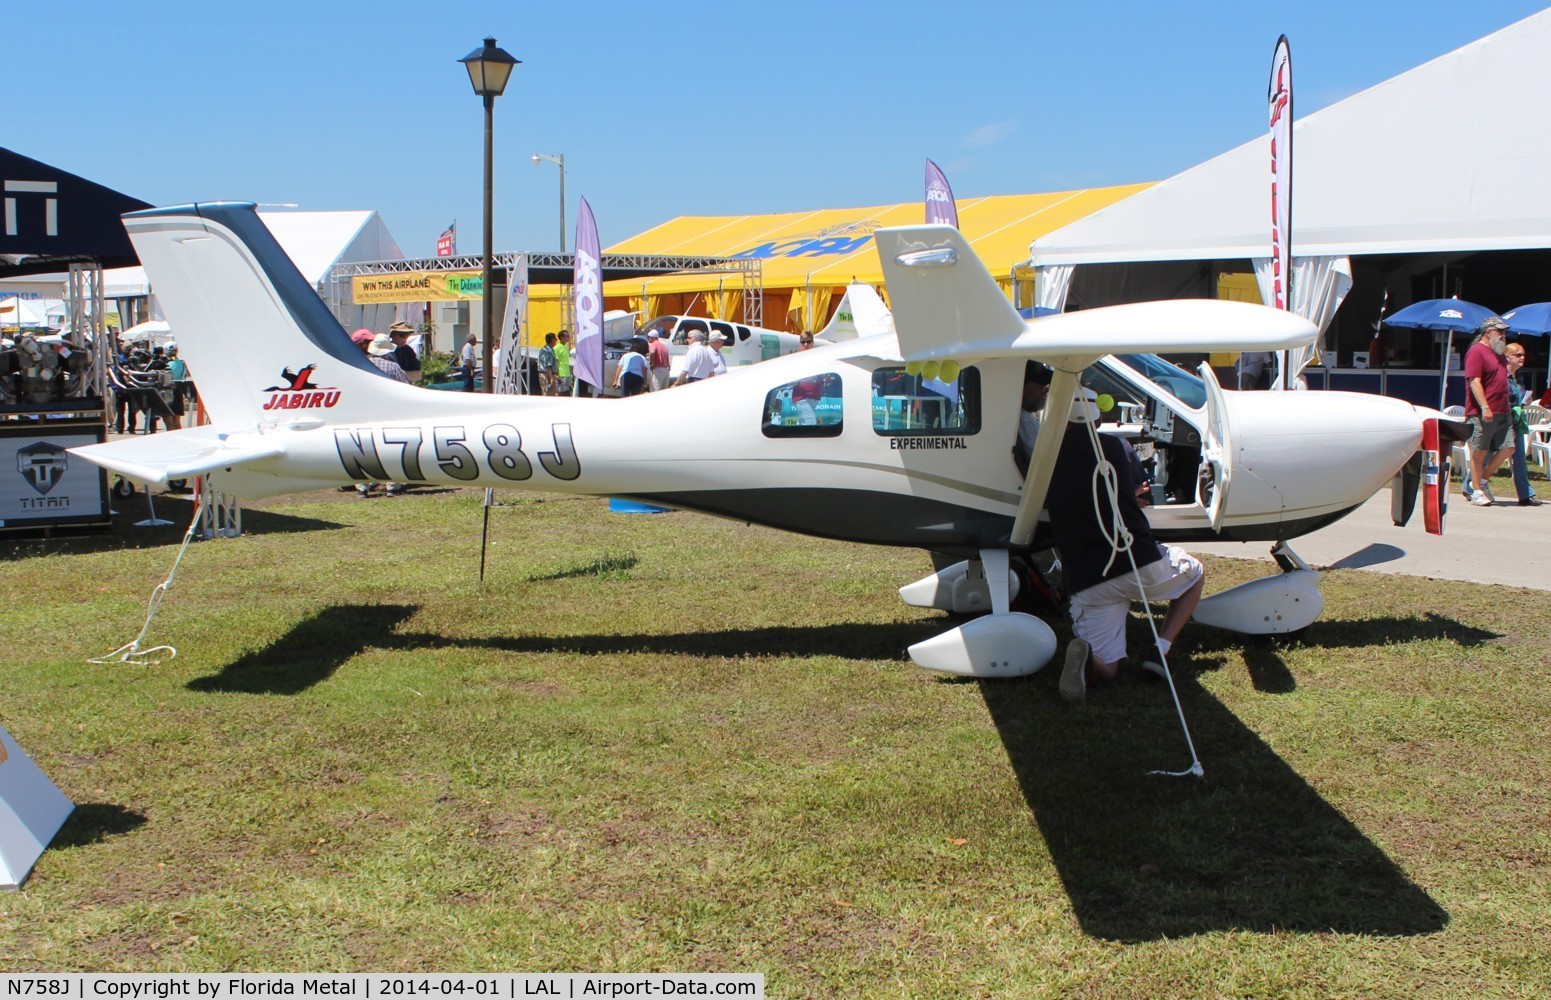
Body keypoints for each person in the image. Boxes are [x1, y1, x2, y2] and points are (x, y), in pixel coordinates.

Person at [1048, 389, 1204, 705]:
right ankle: (1161, 649)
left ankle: (1090, 663)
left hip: (1087, 579)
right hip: (1138, 563)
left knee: (1109, 670)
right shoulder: (1117, 446)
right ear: (1098, 418)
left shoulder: (1044, 458)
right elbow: (1123, 492)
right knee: (1195, 574)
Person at [1463, 317, 1514, 507]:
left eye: (1504, 332)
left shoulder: (1499, 354)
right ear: (1488, 332)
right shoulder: (1476, 352)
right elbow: (1474, 381)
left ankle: (1481, 480)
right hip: (1482, 411)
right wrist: (1484, 406)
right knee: (1479, 452)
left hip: (1502, 410)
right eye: (1499, 331)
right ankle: (1476, 490)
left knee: (1509, 447)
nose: (1503, 335)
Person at [1503, 341, 1543, 507]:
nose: (1522, 358)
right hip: (1503, 421)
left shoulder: (1518, 377)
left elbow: (1518, 397)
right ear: (1507, 357)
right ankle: (1470, 486)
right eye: (1518, 355)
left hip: (1517, 421)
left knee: (1519, 458)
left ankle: (1525, 495)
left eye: (1523, 355)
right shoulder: (1500, 376)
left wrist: (1525, 399)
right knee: (1492, 456)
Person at [1012, 361, 1052, 476]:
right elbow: (1045, 463)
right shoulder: (1024, 423)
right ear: (1022, 387)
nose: (1046, 392)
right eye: (1042, 387)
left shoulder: (1022, 417)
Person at [791, 333, 822, 424]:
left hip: (814, 395)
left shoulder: (817, 356)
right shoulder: (797, 357)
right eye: (803, 342)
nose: (805, 344)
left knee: (804, 423)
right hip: (802, 397)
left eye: (808, 341)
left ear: (812, 342)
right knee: (811, 422)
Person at [555, 330, 573, 395]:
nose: (568, 337)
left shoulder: (565, 347)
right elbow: (555, 361)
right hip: (561, 374)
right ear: (562, 337)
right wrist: (556, 375)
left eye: (568, 336)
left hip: (567, 373)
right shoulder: (557, 348)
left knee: (567, 392)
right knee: (560, 393)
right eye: (567, 336)